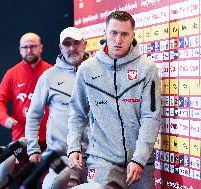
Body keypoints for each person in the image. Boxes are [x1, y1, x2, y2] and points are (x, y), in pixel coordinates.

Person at [67, 11, 161, 189]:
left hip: (140, 162)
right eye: (113, 33)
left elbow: (151, 117)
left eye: (124, 34)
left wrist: (140, 159)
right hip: (102, 160)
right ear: (105, 33)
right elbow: (77, 113)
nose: (118, 40)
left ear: (132, 36)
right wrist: (74, 147)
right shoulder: (87, 69)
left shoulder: (147, 68)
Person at [25, 27, 89, 189]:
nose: (72, 48)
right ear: (61, 48)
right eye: (67, 44)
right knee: (50, 186)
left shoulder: (98, 73)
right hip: (60, 156)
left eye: (76, 43)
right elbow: (33, 115)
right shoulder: (48, 76)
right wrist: (33, 149)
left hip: (95, 156)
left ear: (85, 45)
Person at [0, 32, 52, 178]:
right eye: (25, 47)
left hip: (49, 139)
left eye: (32, 46)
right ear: (20, 50)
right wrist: (4, 118)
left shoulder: (51, 72)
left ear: (41, 48)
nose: (29, 50)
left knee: (50, 182)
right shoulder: (12, 74)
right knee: (23, 181)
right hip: (22, 140)